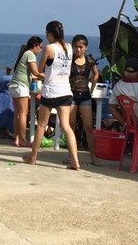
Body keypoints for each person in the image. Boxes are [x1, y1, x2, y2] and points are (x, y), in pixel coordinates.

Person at [22, 20, 80, 170]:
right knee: (66, 127)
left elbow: (40, 68)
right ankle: (75, 161)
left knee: (42, 124)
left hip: (50, 91)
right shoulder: (69, 48)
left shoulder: (49, 48)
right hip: (66, 91)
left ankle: (33, 158)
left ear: (49, 33)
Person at [68, 34, 100, 164]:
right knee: (71, 126)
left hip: (85, 96)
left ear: (86, 47)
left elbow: (96, 73)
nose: (78, 49)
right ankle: (71, 156)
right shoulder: (69, 60)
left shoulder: (90, 60)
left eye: (81, 47)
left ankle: (93, 157)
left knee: (89, 127)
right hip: (71, 96)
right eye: (75, 47)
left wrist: (92, 88)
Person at [8, 36, 44, 147]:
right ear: (35, 46)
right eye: (40, 47)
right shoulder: (30, 54)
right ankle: (23, 139)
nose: (41, 50)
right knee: (24, 113)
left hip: (13, 85)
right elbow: (36, 72)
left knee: (18, 113)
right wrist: (48, 77)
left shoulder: (25, 54)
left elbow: (31, 74)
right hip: (21, 86)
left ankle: (17, 138)